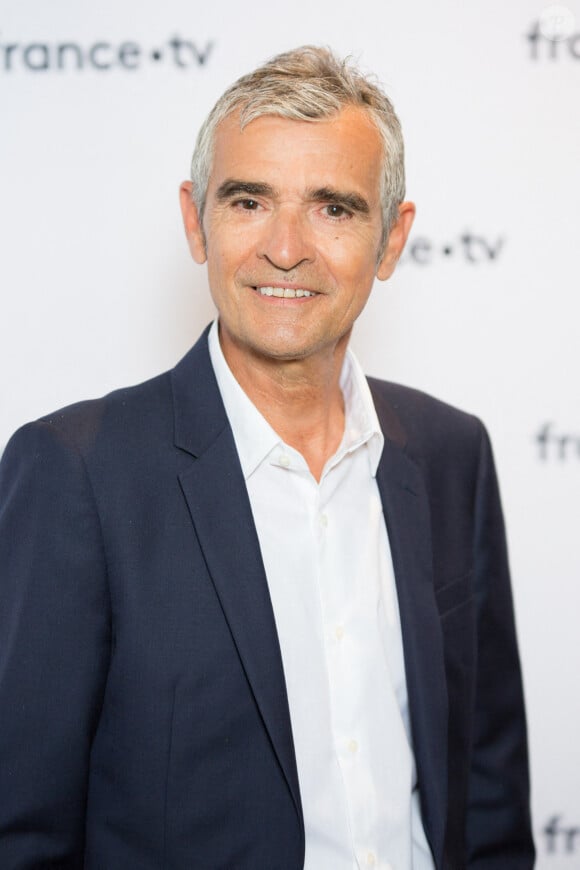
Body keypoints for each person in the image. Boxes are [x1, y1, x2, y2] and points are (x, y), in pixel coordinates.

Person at [0, 46, 534, 869]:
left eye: (334, 209)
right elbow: (22, 831)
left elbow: (489, 797)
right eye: (249, 200)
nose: (286, 248)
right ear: (195, 220)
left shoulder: (451, 452)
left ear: (392, 240)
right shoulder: (75, 475)